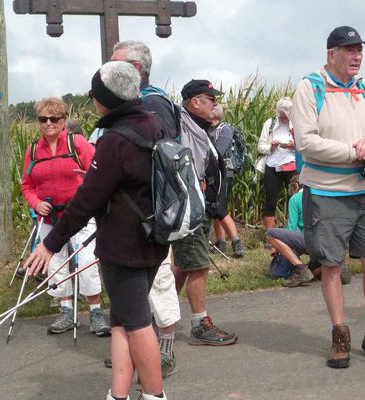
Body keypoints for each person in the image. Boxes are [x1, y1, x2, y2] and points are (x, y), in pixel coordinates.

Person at [24, 61, 169, 399]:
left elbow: (87, 199)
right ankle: (117, 394)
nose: (92, 101)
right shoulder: (154, 124)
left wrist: (49, 245)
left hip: (125, 246)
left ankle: (155, 395)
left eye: (94, 95)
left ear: (106, 98)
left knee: (138, 323)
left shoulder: (115, 141)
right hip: (153, 238)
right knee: (121, 319)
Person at [292, 25, 365, 369]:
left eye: (360, 50)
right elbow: (306, 142)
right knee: (331, 264)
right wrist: (353, 152)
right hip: (327, 192)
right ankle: (340, 334)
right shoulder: (310, 87)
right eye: (350, 50)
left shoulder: (364, 87)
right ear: (332, 55)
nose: (357, 56)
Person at [110, 40, 181, 377]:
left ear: (135, 69)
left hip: (151, 216)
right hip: (136, 216)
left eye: (115, 64)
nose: (107, 70)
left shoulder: (153, 102)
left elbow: (164, 159)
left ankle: (162, 351)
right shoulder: (132, 106)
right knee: (136, 295)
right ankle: (138, 352)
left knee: (160, 283)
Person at [21, 97, 110, 337]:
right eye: (43, 119)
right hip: (49, 219)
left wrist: (87, 193)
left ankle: (95, 312)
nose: (48, 123)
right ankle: (65, 310)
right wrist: (36, 203)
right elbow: (26, 185)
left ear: (63, 121)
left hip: (79, 215)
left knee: (87, 262)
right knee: (56, 264)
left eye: (54, 118)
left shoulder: (77, 143)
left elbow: (97, 173)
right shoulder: (32, 150)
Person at [170, 79, 237, 346]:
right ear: (195, 102)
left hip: (198, 204)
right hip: (189, 205)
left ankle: (159, 317)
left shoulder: (198, 126)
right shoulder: (182, 123)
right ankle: (199, 324)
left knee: (185, 264)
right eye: (211, 100)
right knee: (197, 264)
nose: (215, 104)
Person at [208, 105, 245, 258]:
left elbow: (218, 152)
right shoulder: (207, 129)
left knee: (220, 207)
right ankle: (220, 242)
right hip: (212, 173)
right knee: (215, 206)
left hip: (224, 172)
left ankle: (236, 241)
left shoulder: (224, 129)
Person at [265, 175, 314, 287]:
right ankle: (330, 267)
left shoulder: (295, 199)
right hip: (327, 241)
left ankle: (300, 268)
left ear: (296, 185)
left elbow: (292, 227)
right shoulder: (317, 195)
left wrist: (277, 247)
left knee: (271, 233)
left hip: (310, 239)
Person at [257, 97, 297, 230]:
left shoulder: (297, 124)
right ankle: (270, 235)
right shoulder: (270, 124)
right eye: (282, 117)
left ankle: (293, 233)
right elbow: (260, 146)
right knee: (270, 201)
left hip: (292, 166)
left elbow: (306, 146)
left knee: (294, 200)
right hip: (272, 167)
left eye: (287, 117)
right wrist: (271, 148)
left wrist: (293, 146)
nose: (284, 120)